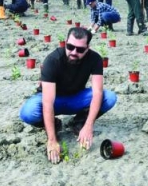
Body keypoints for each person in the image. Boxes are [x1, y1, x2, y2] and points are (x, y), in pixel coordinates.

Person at [19, 27, 118, 164]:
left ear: (87, 47)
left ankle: (79, 123)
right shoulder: (53, 60)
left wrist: (89, 126)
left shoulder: (95, 59)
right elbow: (47, 102)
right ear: (65, 42)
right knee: (28, 112)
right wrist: (52, 140)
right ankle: (54, 125)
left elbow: (97, 93)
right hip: (54, 100)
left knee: (109, 97)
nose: (74, 52)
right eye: (70, 47)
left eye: (80, 49)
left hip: (76, 98)